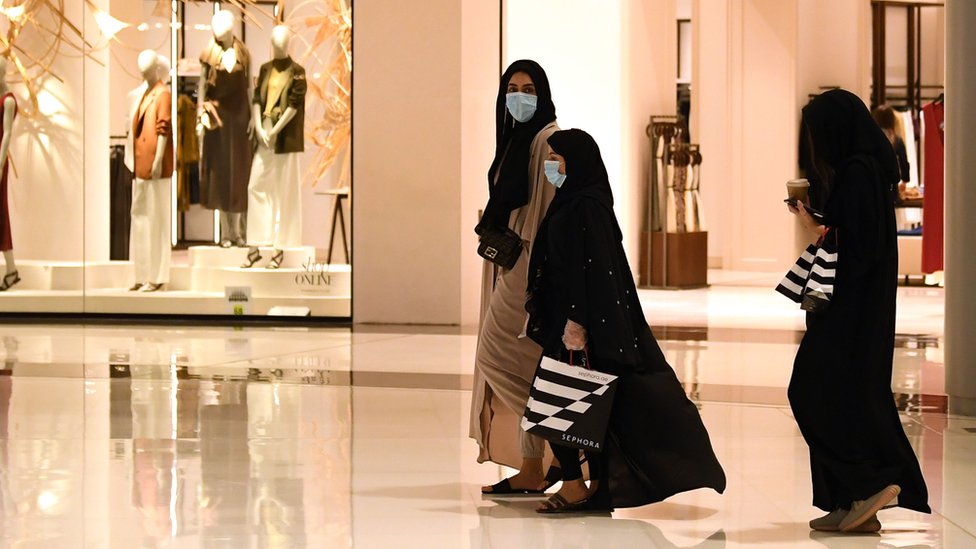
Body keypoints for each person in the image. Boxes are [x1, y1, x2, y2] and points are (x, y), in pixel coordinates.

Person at [525, 129, 726, 513]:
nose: (551, 165)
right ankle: (594, 486)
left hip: (581, 325)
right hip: (582, 321)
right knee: (589, 403)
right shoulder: (576, 201)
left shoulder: (585, 206)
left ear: (577, 161)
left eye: (558, 158)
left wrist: (577, 322)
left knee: (560, 401)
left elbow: (593, 269)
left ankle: (574, 485)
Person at [788, 89, 930, 533]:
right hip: (860, 308)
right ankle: (851, 502)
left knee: (810, 390)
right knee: (848, 397)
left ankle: (868, 484)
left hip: (849, 310)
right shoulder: (868, 172)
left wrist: (815, 228)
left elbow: (855, 249)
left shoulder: (856, 173)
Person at [470, 60, 561, 495]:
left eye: (528, 89)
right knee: (530, 367)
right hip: (512, 261)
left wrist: (527, 279)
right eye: (511, 88)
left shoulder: (546, 141)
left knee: (494, 357)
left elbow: (544, 216)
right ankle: (532, 466)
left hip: (526, 268)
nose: (518, 97)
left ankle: (562, 449)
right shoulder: (515, 140)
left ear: (542, 94)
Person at [871, 105, 913, 201]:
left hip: (873, 181)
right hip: (890, 184)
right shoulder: (896, 139)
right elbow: (903, 161)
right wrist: (905, 180)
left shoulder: (871, 138)